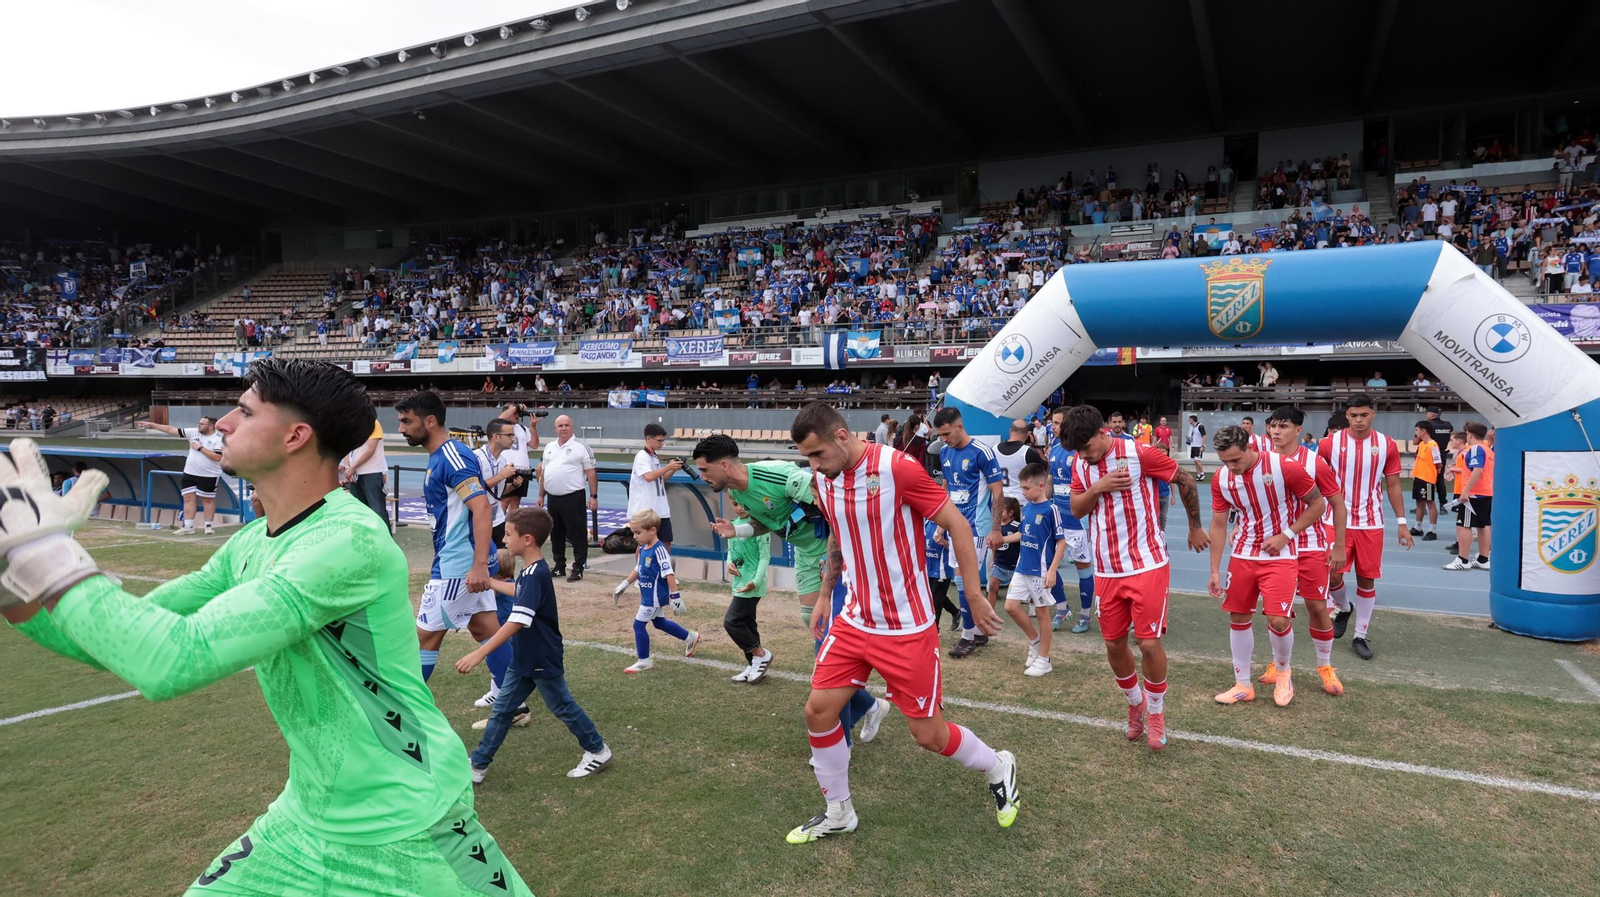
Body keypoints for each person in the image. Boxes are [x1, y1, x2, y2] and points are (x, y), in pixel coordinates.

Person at [0, 361, 535, 895]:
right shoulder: (250, 544)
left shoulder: (349, 542)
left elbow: (170, 659)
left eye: (245, 410)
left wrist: (47, 555)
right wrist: (12, 580)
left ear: (296, 435)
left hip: (412, 822)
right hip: (305, 822)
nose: (224, 423)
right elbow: (124, 638)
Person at [784, 402, 1017, 844]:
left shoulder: (897, 468)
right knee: (818, 710)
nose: (812, 466)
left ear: (840, 437)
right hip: (854, 619)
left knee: (928, 735)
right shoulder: (823, 478)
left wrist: (972, 595)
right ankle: (839, 812)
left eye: (816, 455)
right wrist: (824, 597)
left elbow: (958, 525)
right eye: (806, 458)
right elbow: (839, 534)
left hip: (906, 626)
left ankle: (997, 765)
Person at [1063, 404, 1208, 752]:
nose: (1084, 454)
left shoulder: (1139, 452)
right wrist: (1098, 486)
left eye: (1087, 446)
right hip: (1107, 569)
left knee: (1148, 643)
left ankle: (1156, 714)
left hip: (1147, 564)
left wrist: (1194, 527)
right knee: (1113, 644)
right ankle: (1135, 703)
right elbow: (1077, 508)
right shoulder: (1081, 464)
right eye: (1078, 450)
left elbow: (1184, 479)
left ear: (1103, 432)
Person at [457, 507, 612, 783]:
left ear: (527, 539)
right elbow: (519, 590)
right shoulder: (531, 571)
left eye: (508, 534)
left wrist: (479, 653)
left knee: (562, 706)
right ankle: (478, 765)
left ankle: (597, 750)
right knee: (503, 710)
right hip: (525, 656)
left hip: (541, 656)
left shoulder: (536, 573)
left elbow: (517, 620)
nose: (504, 540)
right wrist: (490, 582)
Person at [1205, 425, 1326, 707]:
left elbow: (1318, 505)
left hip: (1281, 555)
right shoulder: (1221, 478)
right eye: (1225, 461)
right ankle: (1243, 684)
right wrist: (1214, 569)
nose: (1231, 467)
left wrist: (1288, 534)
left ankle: (1283, 673)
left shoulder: (1285, 467)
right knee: (1238, 616)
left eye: (1235, 459)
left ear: (1250, 447)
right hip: (1244, 555)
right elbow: (1219, 523)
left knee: (1279, 619)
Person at [393, 391, 506, 690]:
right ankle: (513, 699)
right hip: (461, 560)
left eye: (407, 421)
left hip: (458, 565)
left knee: (424, 639)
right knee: (485, 630)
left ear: (430, 421)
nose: (401, 428)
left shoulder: (452, 456)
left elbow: (481, 507)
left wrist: (479, 565)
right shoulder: (441, 456)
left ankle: (403, 714)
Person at [694, 435, 830, 629]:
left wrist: (832, 553)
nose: (702, 477)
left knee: (838, 616)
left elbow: (832, 501)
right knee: (812, 619)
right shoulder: (737, 492)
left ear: (724, 465)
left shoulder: (776, 475)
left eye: (704, 470)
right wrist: (736, 530)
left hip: (830, 547)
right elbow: (766, 522)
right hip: (805, 552)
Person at [1261, 406, 1348, 696]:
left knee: (1317, 607)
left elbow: (1337, 503)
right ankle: (1278, 664)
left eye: (1283, 426)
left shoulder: (1315, 463)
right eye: (1273, 426)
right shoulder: (1262, 461)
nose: (1276, 431)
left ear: (1298, 430)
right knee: (1276, 612)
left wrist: (1338, 546)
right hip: (1275, 547)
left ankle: (1325, 666)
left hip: (1310, 546)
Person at [1320, 394, 1413, 661]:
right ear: (1346, 416)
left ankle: (1360, 635)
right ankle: (1344, 607)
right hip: (1334, 521)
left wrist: (1402, 524)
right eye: (1353, 415)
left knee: (1366, 579)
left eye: (1363, 415)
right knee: (1333, 576)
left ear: (1373, 414)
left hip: (1371, 523)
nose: (1358, 420)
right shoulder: (1329, 444)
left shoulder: (1386, 445)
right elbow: (1313, 480)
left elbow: (1393, 485)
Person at [932, 407, 1006, 657]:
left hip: (977, 527)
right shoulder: (944, 452)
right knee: (959, 579)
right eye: (940, 435)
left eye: (946, 433)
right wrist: (941, 524)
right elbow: (946, 490)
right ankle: (977, 630)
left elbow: (998, 492)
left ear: (959, 427)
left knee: (965, 581)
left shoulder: (982, 452)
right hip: (954, 526)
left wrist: (996, 528)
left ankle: (968, 636)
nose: (944, 439)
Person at [610, 509, 699, 673]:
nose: (635, 536)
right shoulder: (643, 548)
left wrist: (675, 596)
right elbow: (638, 568)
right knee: (659, 623)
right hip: (648, 595)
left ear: (652, 530)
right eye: (633, 532)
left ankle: (644, 660)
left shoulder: (659, 550)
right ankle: (690, 637)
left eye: (638, 532)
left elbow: (668, 573)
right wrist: (625, 584)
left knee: (638, 625)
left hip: (655, 597)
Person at [1007, 465, 1066, 677]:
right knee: (1011, 607)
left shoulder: (1052, 510)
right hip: (1023, 567)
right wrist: (1003, 539)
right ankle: (1035, 641)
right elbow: (1024, 534)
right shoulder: (1027, 507)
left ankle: (1044, 658)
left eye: (1026, 488)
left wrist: (1052, 571)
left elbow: (1061, 543)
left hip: (1040, 571)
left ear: (1041, 486)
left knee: (1042, 613)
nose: (1023, 492)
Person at [1046, 406, 1097, 634]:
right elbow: (1050, 482)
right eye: (1053, 423)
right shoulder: (1055, 449)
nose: (1053, 427)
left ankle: (1085, 614)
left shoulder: (1082, 452)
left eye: (1057, 423)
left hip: (1079, 522)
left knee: (1082, 567)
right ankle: (1062, 608)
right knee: (1049, 564)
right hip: (1057, 520)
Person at [134, 416, 224, 535]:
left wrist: (200, 448)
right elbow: (170, 429)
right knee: (188, 498)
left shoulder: (218, 438)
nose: (198, 425)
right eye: (199, 423)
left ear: (211, 426)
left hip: (209, 474)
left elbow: (218, 457)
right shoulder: (193, 432)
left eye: (202, 424)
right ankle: (188, 526)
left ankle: (208, 526)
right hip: (190, 472)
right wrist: (152, 425)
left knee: (207, 499)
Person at [536, 414, 597, 582]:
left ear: (572, 426)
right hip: (553, 498)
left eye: (566, 425)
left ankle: (578, 567)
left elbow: (591, 473)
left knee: (577, 533)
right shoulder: (549, 447)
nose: (563, 428)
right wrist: (541, 494)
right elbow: (544, 473)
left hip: (573, 497)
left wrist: (593, 496)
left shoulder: (581, 447)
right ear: (555, 428)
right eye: (560, 426)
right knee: (556, 533)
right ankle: (559, 566)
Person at [723, 497, 773, 682]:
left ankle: (760, 655)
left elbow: (765, 557)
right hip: (739, 583)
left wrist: (756, 581)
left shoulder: (759, 526)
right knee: (747, 622)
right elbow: (731, 551)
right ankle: (753, 665)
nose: (738, 508)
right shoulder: (734, 525)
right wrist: (729, 564)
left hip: (752, 584)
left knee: (731, 621)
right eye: (734, 504)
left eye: (742, 503)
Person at [1443, 422, 1493, 571]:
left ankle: (1463, 559)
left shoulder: (1476, 448)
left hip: (1474, 494)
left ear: (1470, 434)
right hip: (1487, 491)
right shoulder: (1488, 450)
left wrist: (1466, 491)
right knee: (1483, 526)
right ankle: (1483, 558)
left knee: (1463, 525)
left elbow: (1477, 470)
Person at [628, 423, 681, 549]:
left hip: (660, 509)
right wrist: (668, 466)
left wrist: (673, 469)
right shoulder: (642, 456)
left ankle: (663, 568)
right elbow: (649, 477)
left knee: (666, 541)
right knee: (643, 544)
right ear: (648, 439)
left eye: (663, 440)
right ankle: (640, 568)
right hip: (645, 510)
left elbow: (660, 480)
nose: (662, 443)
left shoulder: (653, 457)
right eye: (659, 440)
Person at [339, 417, 389, 525]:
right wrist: (348, 467)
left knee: (377, 510)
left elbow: (370, 450)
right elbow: (348, 448)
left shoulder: (373, 423)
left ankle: (385, 540)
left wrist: (353, 467)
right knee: (359, 511)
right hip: (354, 474)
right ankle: (364, 539)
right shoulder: (350, 425)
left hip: (371, 472)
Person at [493, 403, 541, 513]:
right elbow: (499, 419)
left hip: (522, 469)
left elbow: (534, 445)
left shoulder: (523, 428)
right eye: (514, 413)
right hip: (507, 468)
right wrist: (517, 407)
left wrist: (533, 427)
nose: (517, 415)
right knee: (504, 501)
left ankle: (512, 528)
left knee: (516, 502)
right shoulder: (501, 427)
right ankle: (500, 527)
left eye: (518, 413)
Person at [995, 418, 1046, 502]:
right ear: (1027, 435)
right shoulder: (1028, 451)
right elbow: (1045, 468)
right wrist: (1036, 445)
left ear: (1010, 431)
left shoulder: (994, 449)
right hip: (1020, 500)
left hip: (999, 500)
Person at [1410, 422, 1443, 542]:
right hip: (1418, 476)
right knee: (1419, 503)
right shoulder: (1422, 444)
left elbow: (1438, 462)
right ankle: (1417, 527)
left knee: (1430, 503)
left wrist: (1434, 474)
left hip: (1427, 478)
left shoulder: (1432, 445)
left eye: (1417, 430)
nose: (1416, 432)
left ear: (1424, 431)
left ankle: (1432, 530)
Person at [1186, 414, 1208, 481]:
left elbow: (1204, 436)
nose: (1188, 420)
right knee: (1195, 461)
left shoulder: (1200, 426)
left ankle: (1202, 473)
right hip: (1193, 445)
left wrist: (1202, 445)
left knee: (1197, 460)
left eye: (1189, 419)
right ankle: (1198, 474)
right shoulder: (1193, 428)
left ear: (1192, 420)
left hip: (1198, 446)